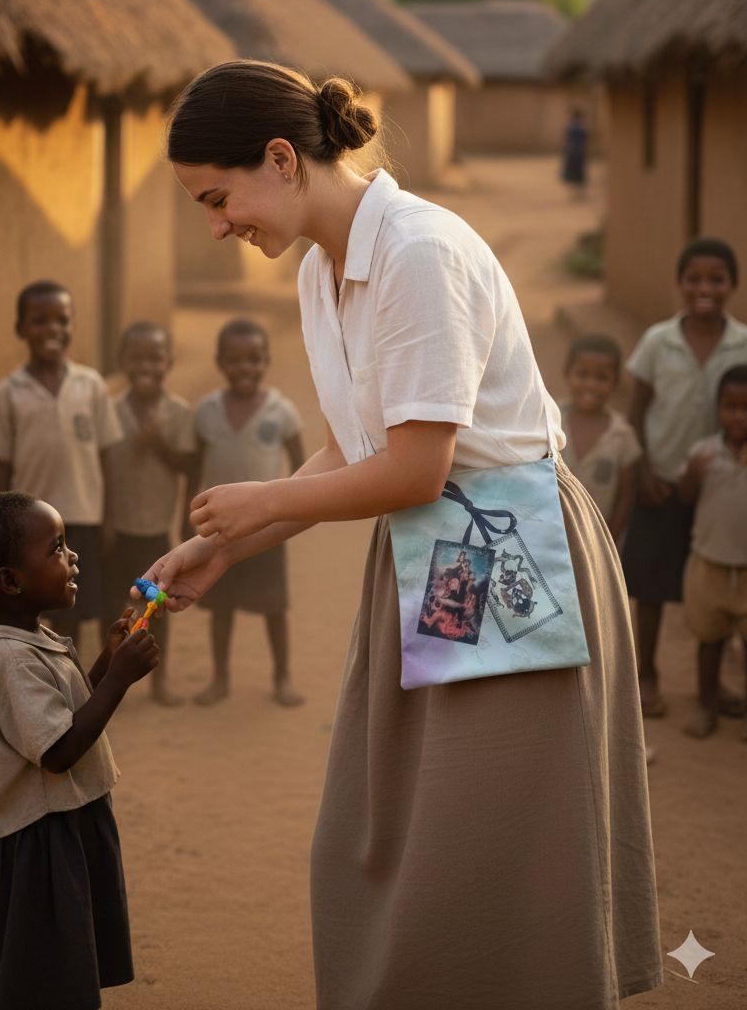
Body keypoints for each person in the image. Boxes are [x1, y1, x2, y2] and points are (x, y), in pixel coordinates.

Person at [136, 59, 662, 1008]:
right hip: (435, 550)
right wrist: (225, 545)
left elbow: (418, 469)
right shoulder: (318, 273)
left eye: (219, 199)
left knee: (497, 838)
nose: (217, 225)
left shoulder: (420, 252)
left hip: (508, 555)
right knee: (391, 830)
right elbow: (356, 444)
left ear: (282, 158)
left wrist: (263, 503)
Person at [0, 491, 158, 1010]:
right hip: (36, 842)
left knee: (55, 969)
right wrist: (119, 680)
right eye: (56, 548)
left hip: (58, 825)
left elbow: (68, 711)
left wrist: (106, 662)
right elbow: (58, 750)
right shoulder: (11, 660)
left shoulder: (30, 637)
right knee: (43, 978)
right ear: (11, 581)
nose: (73, 556)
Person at [622, 239, 747, 718]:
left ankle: (712, 688)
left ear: (732, 285)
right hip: (663, 486)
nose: (704, 288)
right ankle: (646, 675)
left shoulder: (741, 343)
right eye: (694, 278)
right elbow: (635, 410)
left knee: (721, 586)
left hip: (720, 489)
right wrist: (645, 470)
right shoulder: (658, 340)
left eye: (717, 279)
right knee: (652, 586)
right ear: (680, 283)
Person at [0, 280, 123, 646]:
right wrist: (1, 529)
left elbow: (107, 456)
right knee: (36, 605)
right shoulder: (8, 393)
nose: (52, 329)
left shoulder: (90, 385)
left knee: (73, 603)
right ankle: (41, 670)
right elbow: (2, 467)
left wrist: (110, 516)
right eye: (39, 320)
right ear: (20, 329)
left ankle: (69, 673)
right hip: (31, 529)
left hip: (84, 516)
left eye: (61, 319)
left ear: (72, 325)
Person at [189, 317, 305, 707]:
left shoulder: (281, 411)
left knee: (274, 607)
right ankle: (219, 678)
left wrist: (293, 511)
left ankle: (283, 677)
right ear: (220, 363)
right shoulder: (206, 412)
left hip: (265, 529)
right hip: (219, 531)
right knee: (220, 607)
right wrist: (183, 515)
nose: (245, 368)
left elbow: (302, 467)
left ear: (266, 361)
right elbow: (195, 469)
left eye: (254, 359)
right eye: (235, 360)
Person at [103, 321, 196, 707]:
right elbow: (99, 470)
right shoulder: (109, 411)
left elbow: (187, 466)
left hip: (156, 530)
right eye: (136, 357)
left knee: (156, 607)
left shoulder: (179, 413)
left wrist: (157, 441)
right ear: (121, 361)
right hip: (117, 530)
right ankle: (110, 685)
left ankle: (159, 683)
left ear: (169, 361)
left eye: (155, 357)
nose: (146, 365)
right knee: (113, 610)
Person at [678, 365, 747, 740]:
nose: (738, 415)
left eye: (745, 407)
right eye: (730, 406)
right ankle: (707, 707)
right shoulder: (703, 453)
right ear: (718, 408)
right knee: (709, 641)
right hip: (708, 565)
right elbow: (686, 499)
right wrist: (692, 474)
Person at [560, 334, 642, 544]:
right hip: (548, 532)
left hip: (595, 539)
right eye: (582, 374)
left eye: (601, 378)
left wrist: (611, 538)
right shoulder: (549, 420)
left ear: (615, 383)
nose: (590, 385)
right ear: (567, 374)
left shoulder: (622, 435)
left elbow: (626, 494)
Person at [561, 107, 588, 191]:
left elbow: (567, 138)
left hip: (572, 150)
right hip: (578, 150)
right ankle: (577, 188)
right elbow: (585, 139)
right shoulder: (581, 127)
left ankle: (574, 188)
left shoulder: (571, 126)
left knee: (573, 170)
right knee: (578, 170)